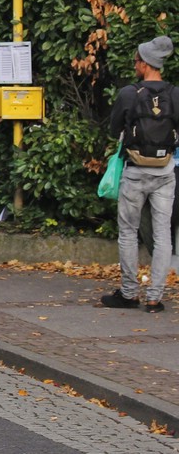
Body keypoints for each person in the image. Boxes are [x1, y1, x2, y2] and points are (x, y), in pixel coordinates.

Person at [101, 35, 179, 312]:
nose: (134, 65)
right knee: (162, 236)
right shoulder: (174, 94)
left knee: (128, 233)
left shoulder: (128, 94)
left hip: (134, 172)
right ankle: (155, 298)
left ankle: (129, 293)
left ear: (145, 64)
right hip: (165, 173)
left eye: (136, 61)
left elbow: (113, 130)